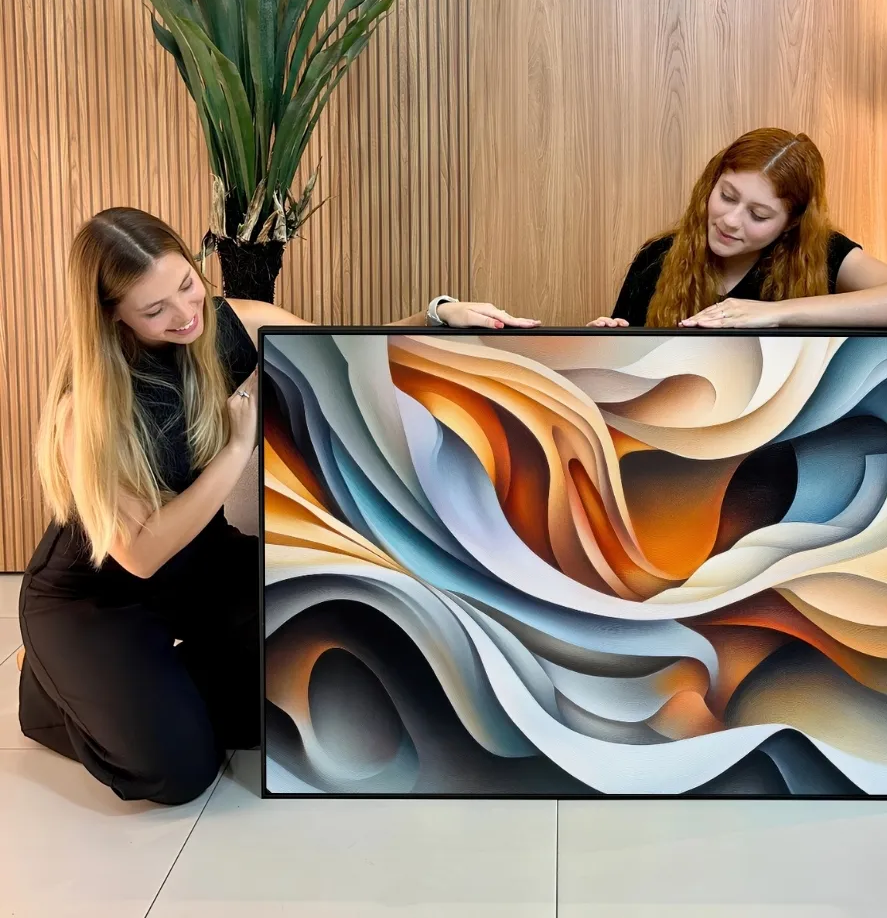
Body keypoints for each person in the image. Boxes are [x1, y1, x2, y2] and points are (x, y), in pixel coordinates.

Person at [17, 207, 540, 805]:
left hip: (202, 562)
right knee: (179, 772)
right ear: (112, 316)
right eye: (155, 309)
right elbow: (140, 555)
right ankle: (52, 693)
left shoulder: (231, 323)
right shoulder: (86, 408)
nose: (185, 314)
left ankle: (140, 691)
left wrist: (439, 315)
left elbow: (338, 349)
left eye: (186, 284)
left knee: (331, 645)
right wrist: (236, 450)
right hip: (100, 595)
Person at [589, 128, 887, 329]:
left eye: (758, 215)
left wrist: (775, 313)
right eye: (727, 196)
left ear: (791, 223)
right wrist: (602, 347)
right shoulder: (658, 257)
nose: (730, 221)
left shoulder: (822, 253)